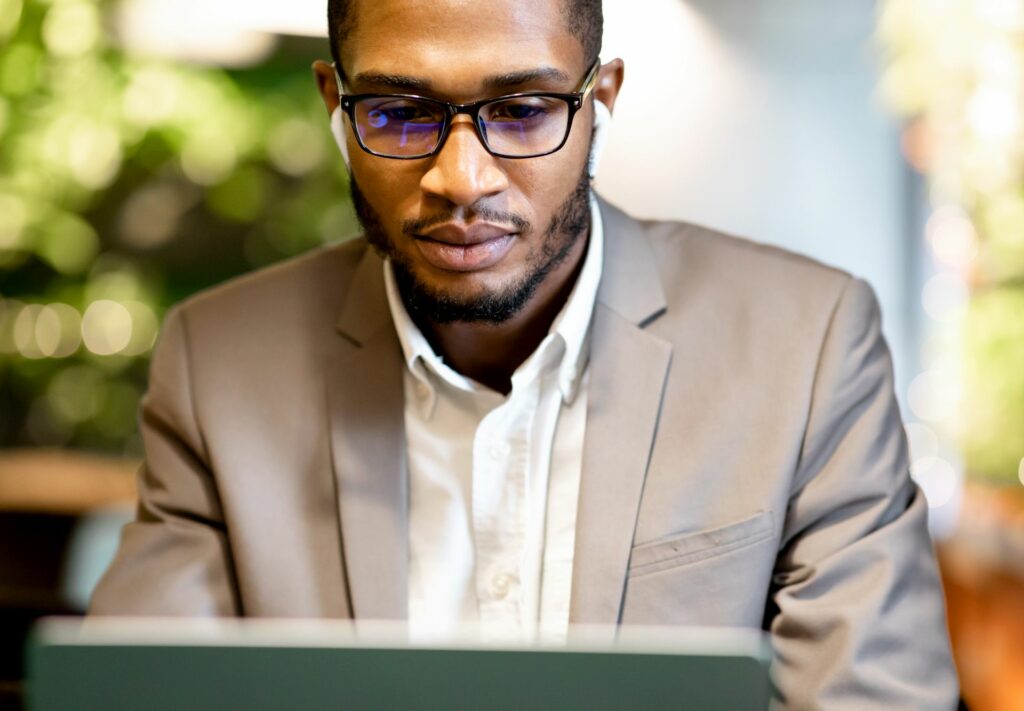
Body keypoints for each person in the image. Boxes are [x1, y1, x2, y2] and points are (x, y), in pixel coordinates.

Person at [90, 0, 959, 706]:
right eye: (398, 113)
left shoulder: (804, 346)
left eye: (521, 110)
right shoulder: (220, 365)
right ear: (335, 107)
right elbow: (136, 694)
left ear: (601, 103)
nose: (461, 180)